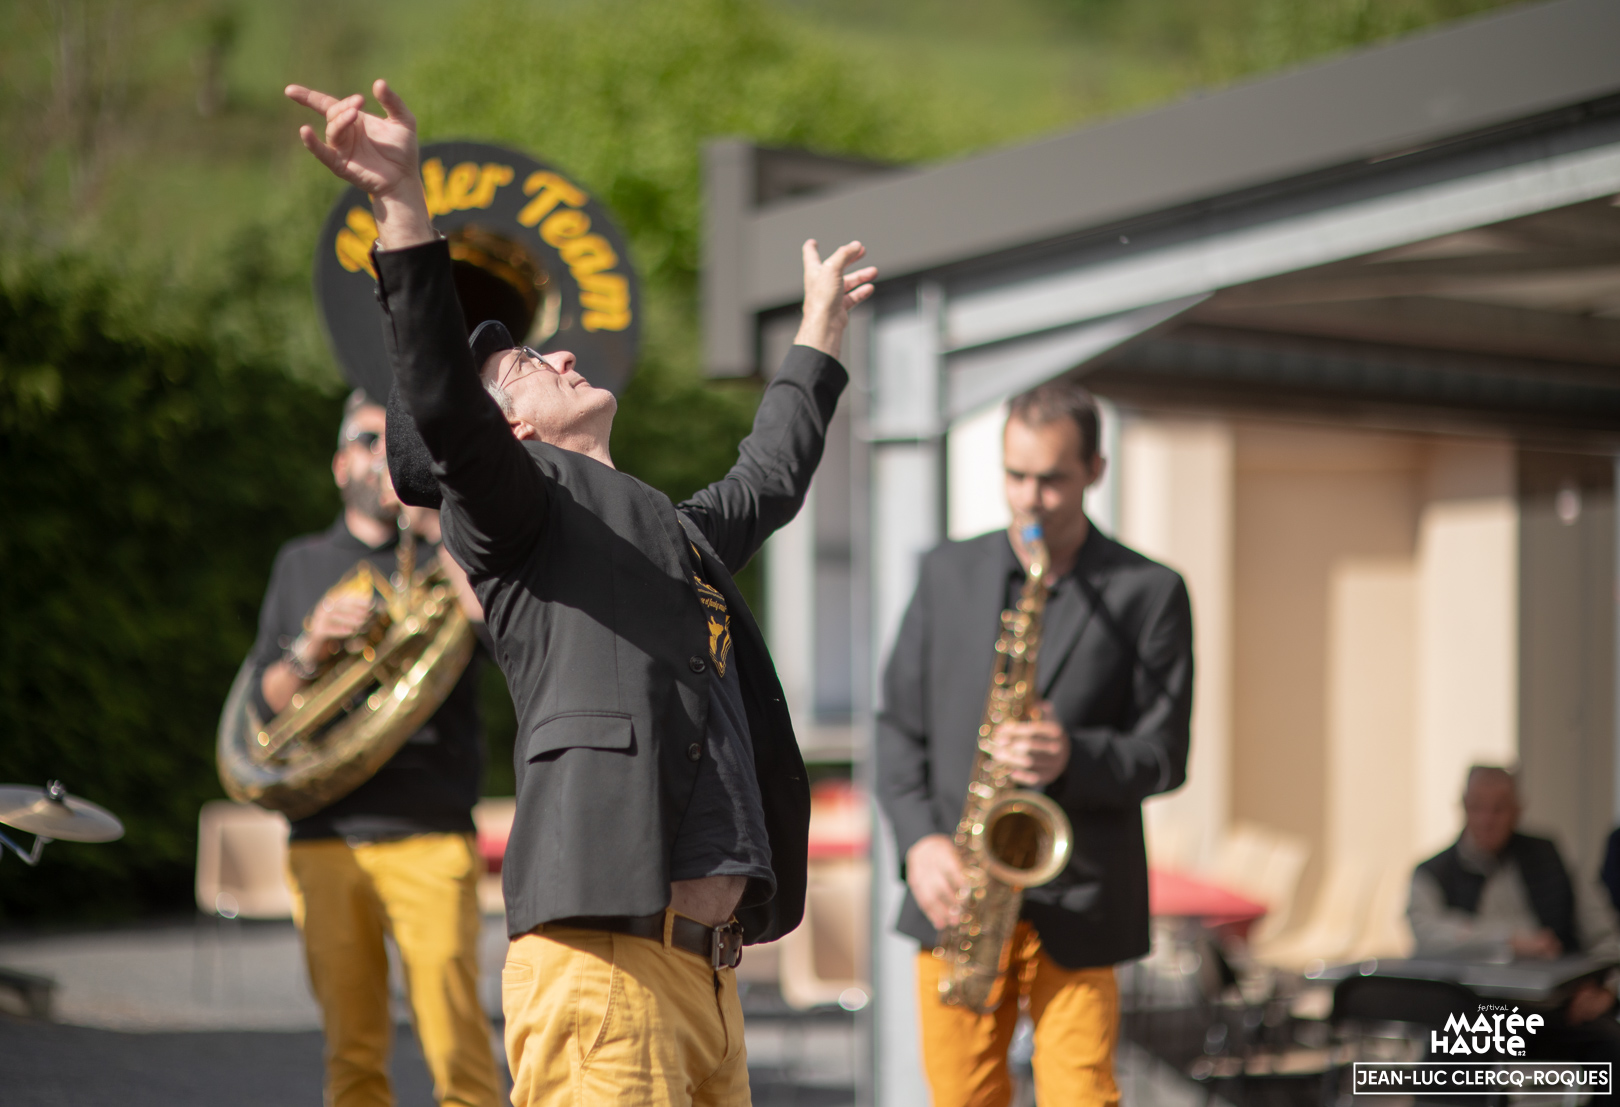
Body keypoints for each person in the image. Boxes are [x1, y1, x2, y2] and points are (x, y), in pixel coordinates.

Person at [284, 78, 876, 1106]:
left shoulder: (668, 532)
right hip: (606, 968)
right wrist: (402, 206)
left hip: (705, 977)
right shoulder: (514, 516)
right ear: (507, 430)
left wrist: (818, 331)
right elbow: (440, 402)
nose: (563, 353)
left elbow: (770, 477)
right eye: (527, 364)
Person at [877, 379, 1194, 1107]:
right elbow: (897, 727)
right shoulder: (946, 572)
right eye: (1015, 475)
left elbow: (1165, 754)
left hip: (1082, 898)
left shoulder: (1149, 591)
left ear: (1095, 470)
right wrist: (919, 842)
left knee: (1082, 1095)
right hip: (959, 895)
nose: (1029, 498)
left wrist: (1072, 756)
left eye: (1052, 479)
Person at [247, 391, 501, 1107]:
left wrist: (441, 526)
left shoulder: (445, 554)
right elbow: (267, 703)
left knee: (459, 1050)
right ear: (339, 464)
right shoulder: (301, 562)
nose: (382, 455)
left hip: (431, 829)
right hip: (325, 834)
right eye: (367, 440)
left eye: (396, 443)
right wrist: (312, 643)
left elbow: (503, 638)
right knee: (351, 1055)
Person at [1409, 765, 1620, 1082]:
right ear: (1463, 807)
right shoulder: (1432, 874)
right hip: (1471, 1015)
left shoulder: (1552, 859)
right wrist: (1509, 941)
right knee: (1451, 1053)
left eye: (1499, 809)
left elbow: (1606, 938)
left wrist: (1608, 990)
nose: (1487, 820)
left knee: (1610, 1046)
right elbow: (1427, 935)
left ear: (1518, 811)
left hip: (1553, 1012)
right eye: (1478, 807)